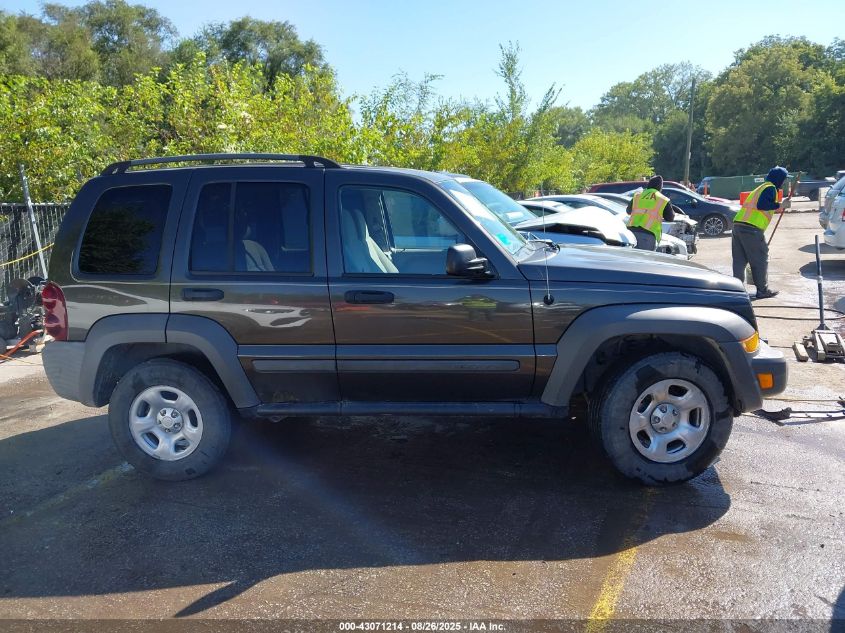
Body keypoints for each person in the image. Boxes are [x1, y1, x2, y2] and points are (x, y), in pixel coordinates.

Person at [731, 166, 789, 299]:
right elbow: (762, 205)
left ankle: (736, 291)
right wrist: (780, 205)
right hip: (751, 229)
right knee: (760, 259)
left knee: (739, 261)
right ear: (778, 179)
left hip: (738, 225)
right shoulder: (770, 188)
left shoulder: (761, 188)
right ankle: (762, 290)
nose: (784, 183)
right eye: (784, 180)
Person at [626, 175, 678, 251]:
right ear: (660, 187)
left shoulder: (637, 195)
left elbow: (628, 211)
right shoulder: (662, 199)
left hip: (630, 232)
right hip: (647, 235)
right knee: (646, 260)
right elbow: (670, 218)